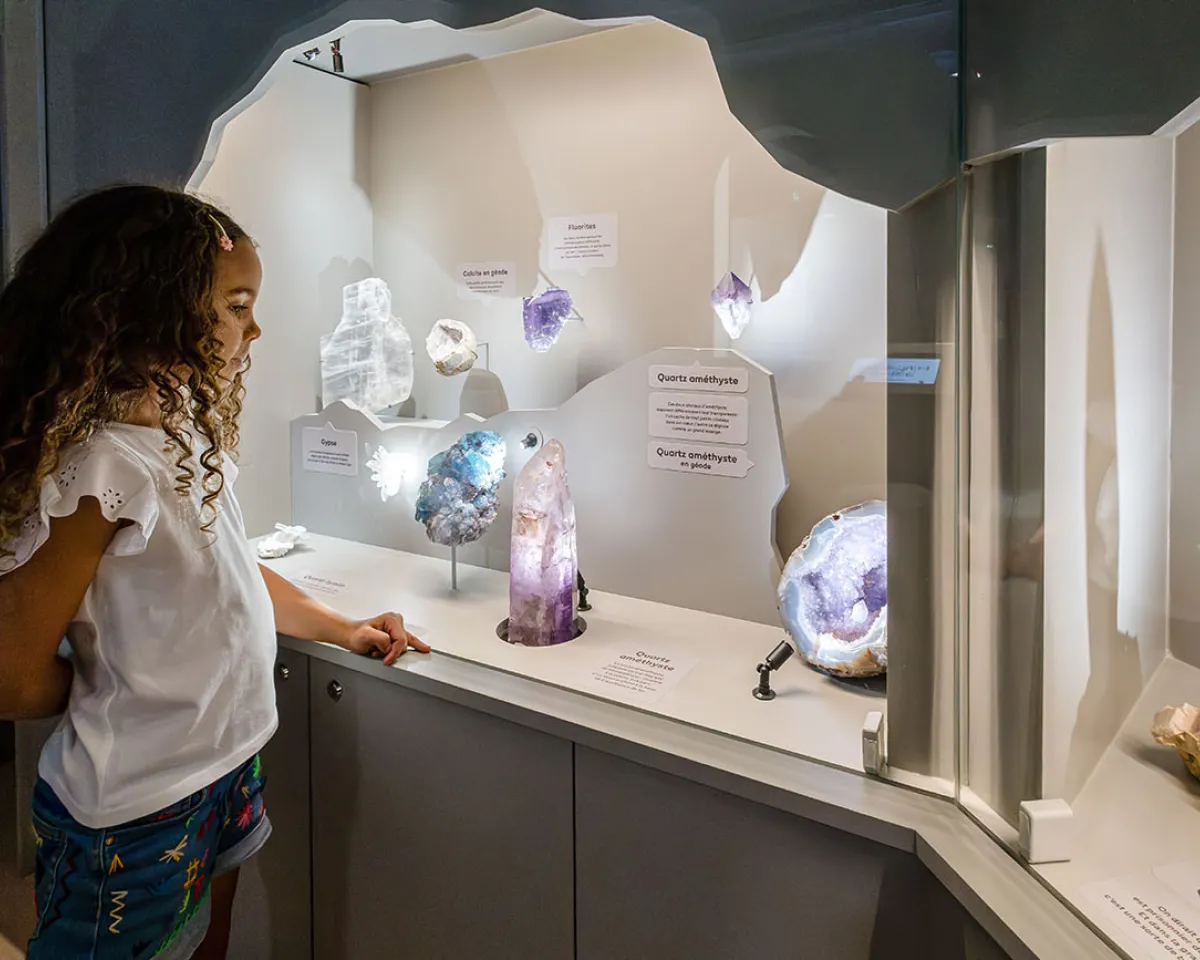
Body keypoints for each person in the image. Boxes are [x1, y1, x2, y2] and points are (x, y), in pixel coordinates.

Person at [0, 184, 429, 959]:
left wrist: (340, 626)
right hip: (134, 810)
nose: (254, 328)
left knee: (207, 942)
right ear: (148, 309)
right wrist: (108, 692)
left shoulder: (184, 437)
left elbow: (231, 580)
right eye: (236, 305)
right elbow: (10, 669)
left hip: (226, 769)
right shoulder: (101, 469)